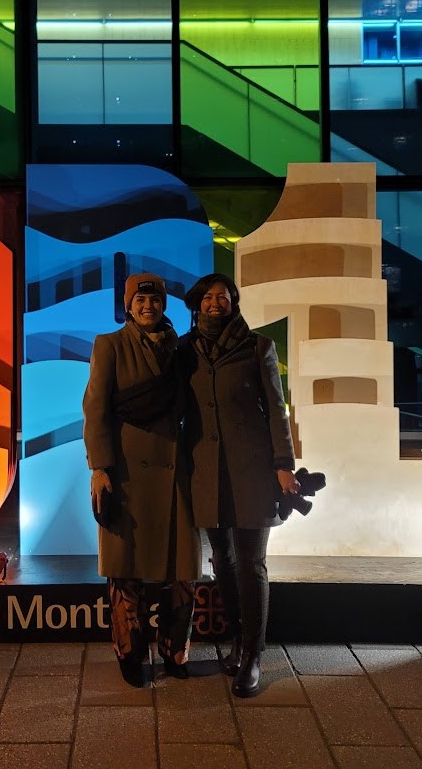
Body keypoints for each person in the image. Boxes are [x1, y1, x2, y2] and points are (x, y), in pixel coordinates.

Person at [180, 272, 300, 698]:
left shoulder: (258, 347)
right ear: (197, 304)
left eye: (224, 296)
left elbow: (276, 410)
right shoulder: (185, 349)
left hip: (252, 470)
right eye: (209, 297)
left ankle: (253, 654)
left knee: (252, 562)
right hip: (206, 472)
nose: (216, 303)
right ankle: (234, 639)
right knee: (224, 560)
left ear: (234, 302)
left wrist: (283, 464)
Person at [82, 272, 202, 687]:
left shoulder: (182, 348)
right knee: (125, 571)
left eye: (154, 300)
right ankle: (129, 654)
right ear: (129, 306)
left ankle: (174, 652)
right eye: (139, 301)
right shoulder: (110, 345)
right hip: (127, 474)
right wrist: (99, 469)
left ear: (164, 304)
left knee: (183, 568)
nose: (147, 307)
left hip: (175, 472)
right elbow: (95, 410)